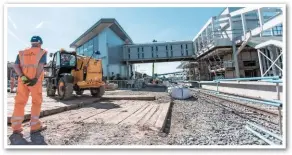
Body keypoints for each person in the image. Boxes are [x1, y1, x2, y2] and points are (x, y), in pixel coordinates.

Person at [11, 36, 47, 134]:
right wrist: (35, 78)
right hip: (35, 81)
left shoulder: (22, 53)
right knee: (36, 102)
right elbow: (40, 66)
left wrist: (22, 76)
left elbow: (15, 66)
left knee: (19, 102)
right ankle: (34, 125)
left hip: (23, 81)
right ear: (40, 43)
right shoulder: (41, 52)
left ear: (31, 43)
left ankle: (16, 127)